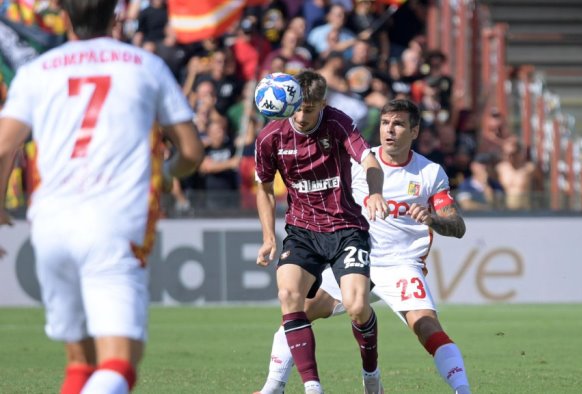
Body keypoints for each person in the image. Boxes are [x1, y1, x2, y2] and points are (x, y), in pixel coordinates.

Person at [0, 1, 204, 393]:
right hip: (114, 222)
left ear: (64, 17)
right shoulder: (144, 65)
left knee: (80, 362)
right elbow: (192, 152)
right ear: (115, 17)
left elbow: (5, 147)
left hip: (50, 225)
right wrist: (168, 173)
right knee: (119, 363)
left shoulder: (37, 71)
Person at [255, 99, 472, 394]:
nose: (390, 130)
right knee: (298, 311)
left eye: (398, 124)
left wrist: (433, 219)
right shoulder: (358, 159)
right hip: (353, 253)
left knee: (426, 327)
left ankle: (463, 389)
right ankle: (273, 386)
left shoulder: (429, 173)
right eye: (385, 123)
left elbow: (457, 226)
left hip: (400, 263)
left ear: (415, 130)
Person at [254, 70, 390, 394]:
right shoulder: (270, 137)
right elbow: (264, 188)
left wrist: (375, 192)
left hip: (346, 227)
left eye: (310, 109)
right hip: (302, 231)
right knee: (289, 296)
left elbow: (370, 161)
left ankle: (371, 376)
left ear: (322, 104)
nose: (302, 116)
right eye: (299, 108)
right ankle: (312, 387)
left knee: (357, 306)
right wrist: (269, 236)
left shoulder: (337, 122)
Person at [496, 136, 542, 210]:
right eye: (506, 154)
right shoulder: (500, 169)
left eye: (512, 154)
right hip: (506, 211)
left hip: (524, 211)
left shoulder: (530, 168)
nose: (509, 157)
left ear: (519, 152)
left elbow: (540, 189)